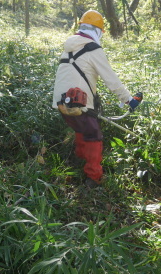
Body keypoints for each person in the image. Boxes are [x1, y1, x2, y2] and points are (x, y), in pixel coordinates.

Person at [52, 10, 141, 188]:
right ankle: (93, 178)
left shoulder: (70, 46)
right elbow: (110, 78)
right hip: (78, 101)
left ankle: (79, 160)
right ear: (98, 31)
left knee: (80, 129)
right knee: (93, 136)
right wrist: (128, 100)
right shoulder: (93, 48)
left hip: (61, 102)